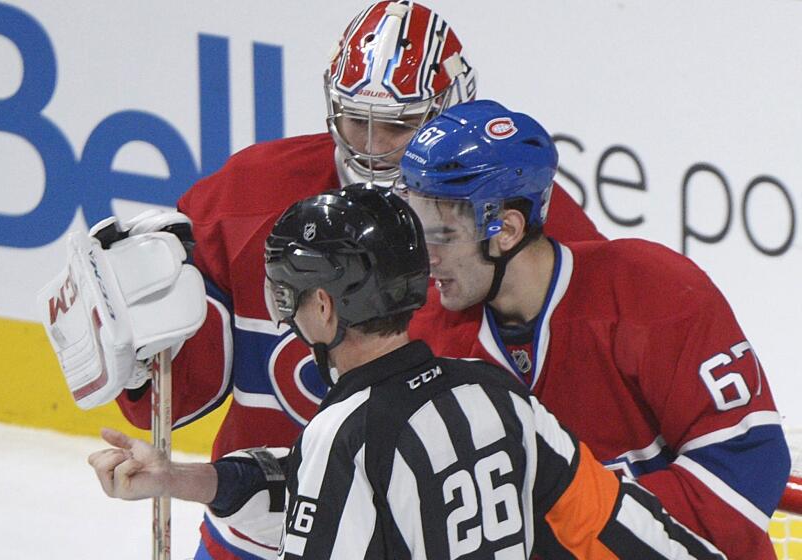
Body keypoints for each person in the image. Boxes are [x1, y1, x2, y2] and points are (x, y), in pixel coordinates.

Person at [94, 3, 602, 559]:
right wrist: (143, 362)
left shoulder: (513, 227)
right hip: (253, 536)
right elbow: (172, 399)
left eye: (398, 125)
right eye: (355, 118)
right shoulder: (248, 195)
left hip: (424, 539)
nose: (371, 145)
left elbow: (557, 429)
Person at [89, 185, 726, 560]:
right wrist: (183, 479)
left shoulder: (344, 435)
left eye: (284, 293)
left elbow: (336, 488)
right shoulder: (499, 396)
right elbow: (623, 526)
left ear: (323, 305)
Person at [398, 99, 791, 559]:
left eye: (442, 234)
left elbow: (747, 466)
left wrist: (565, 529)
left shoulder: (652, 292)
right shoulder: (428, 336)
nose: (426, 257)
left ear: (505, 229)